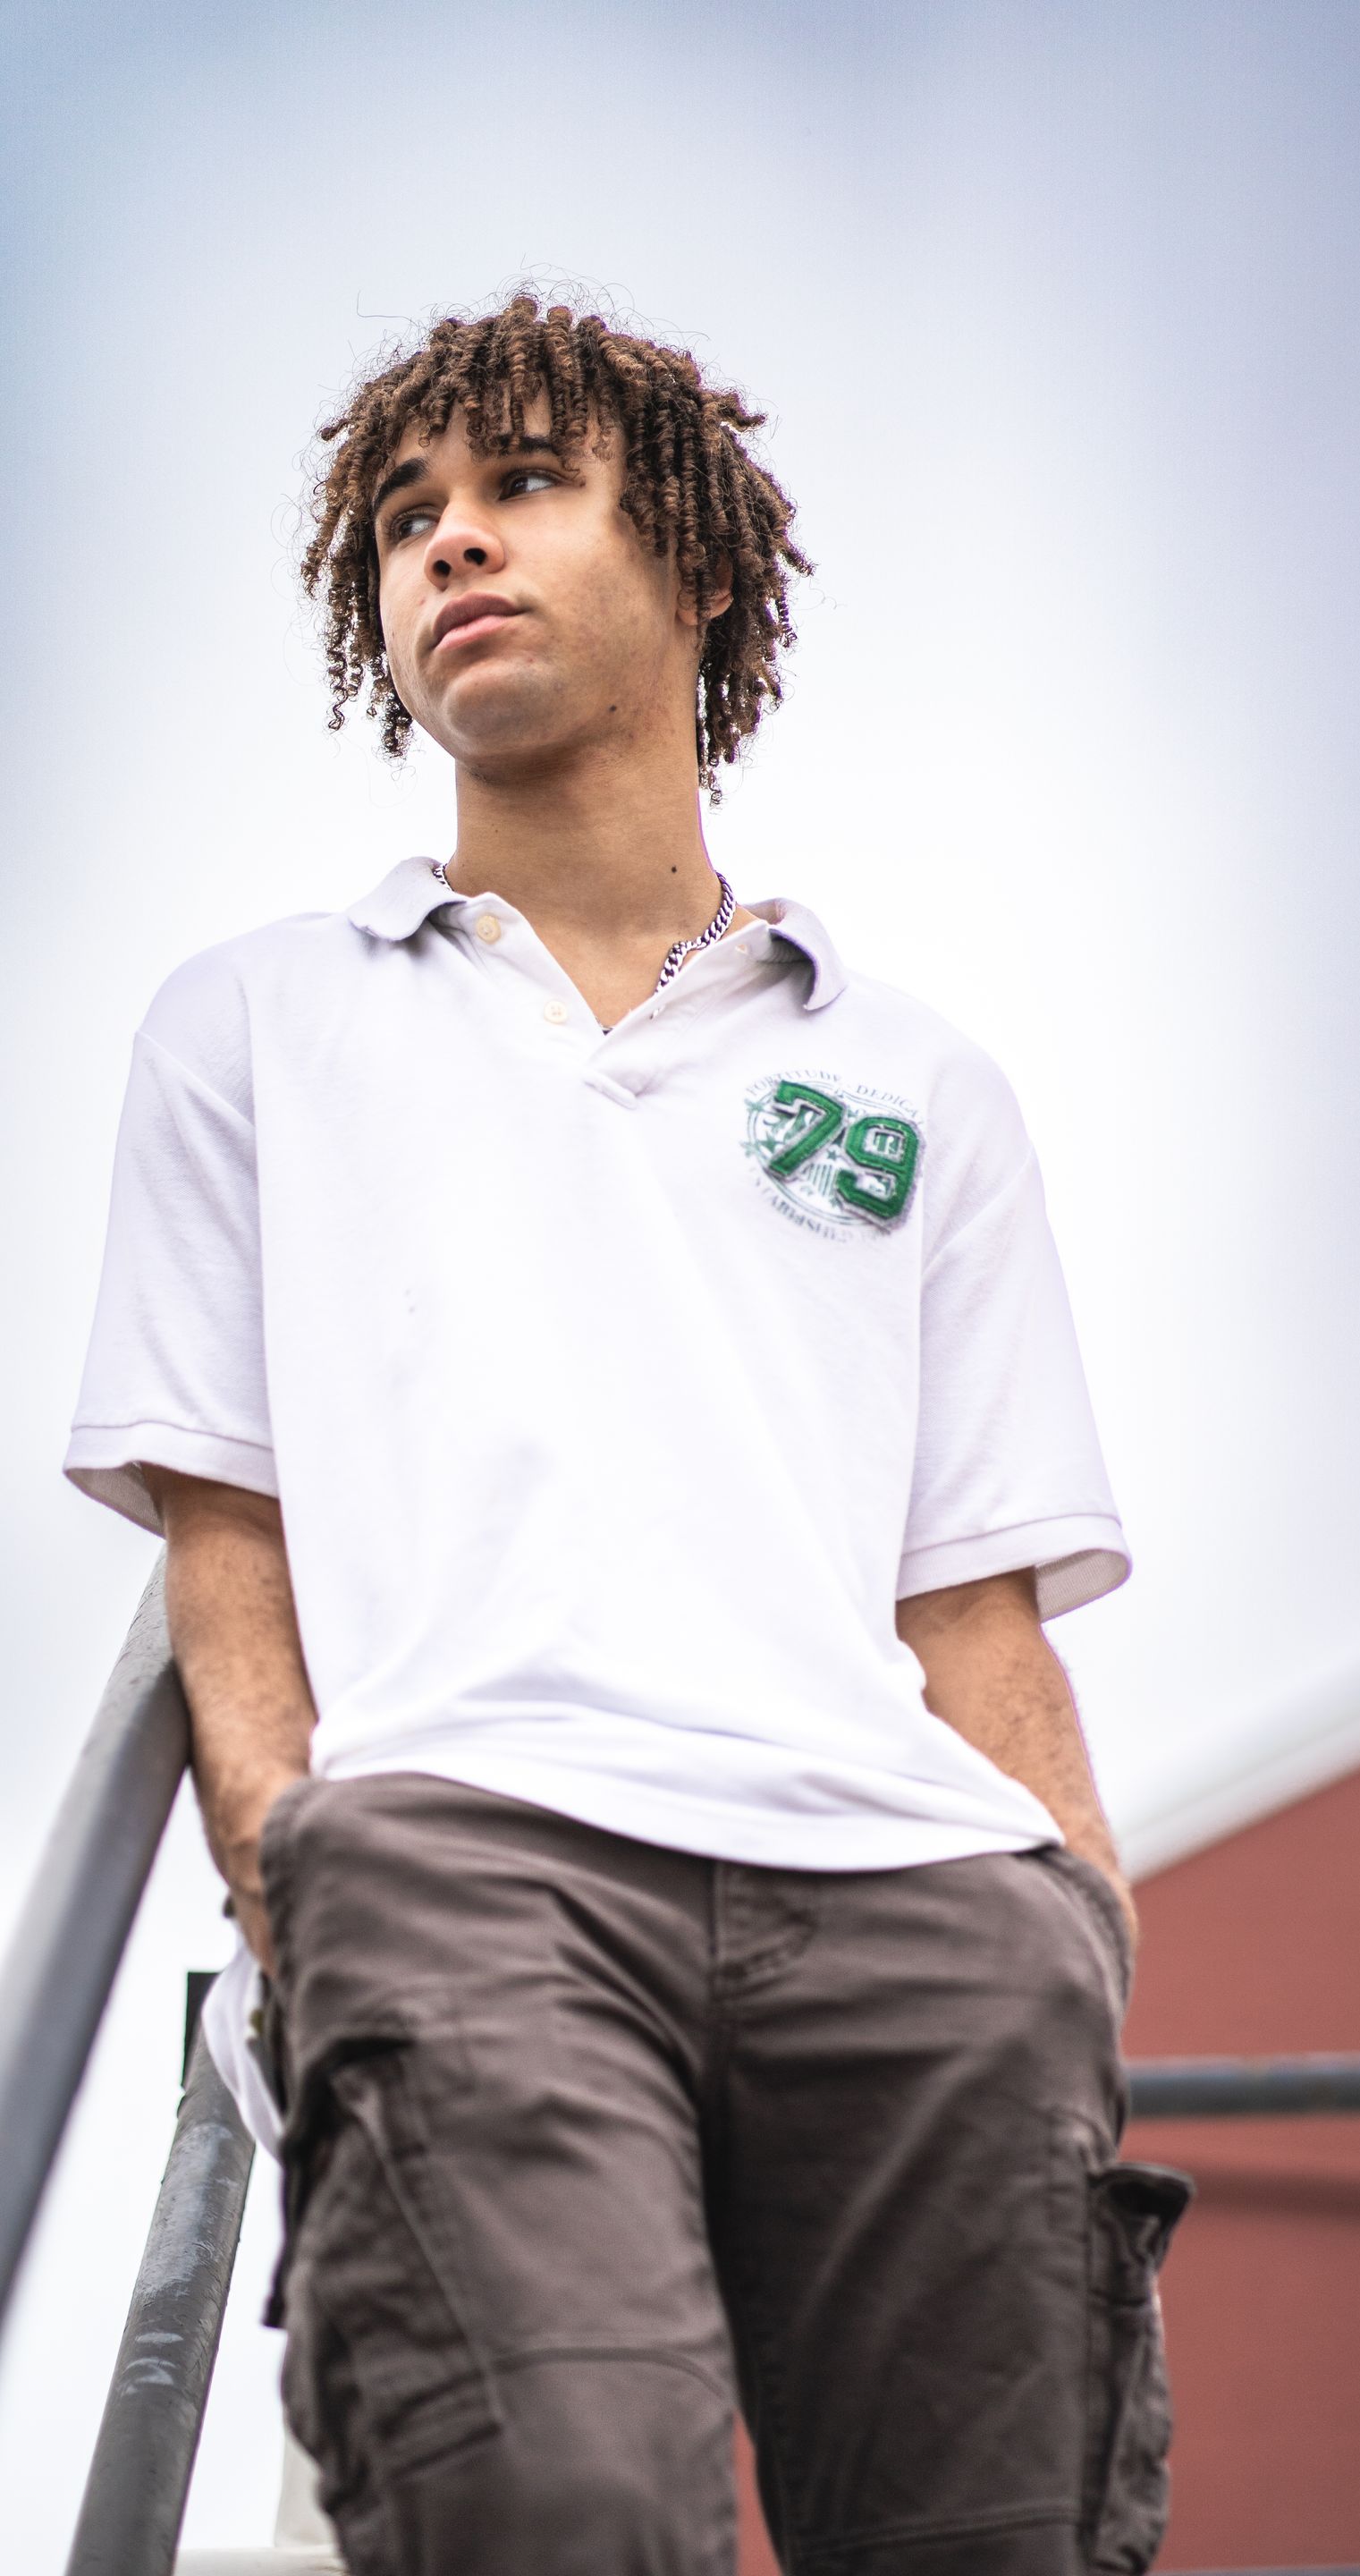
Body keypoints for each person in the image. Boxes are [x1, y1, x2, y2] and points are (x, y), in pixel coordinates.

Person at [64, 290, 1188, 2576]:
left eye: (518, 488)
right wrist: (304, 1873)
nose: (448, 544)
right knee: (564, 2502)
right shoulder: (255, 1024)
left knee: (990, 2543)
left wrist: (1067, 1921)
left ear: (693, 566)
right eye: (403, 518)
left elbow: (975, 1605)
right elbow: (225, 1532)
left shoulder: (916, 1081)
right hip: (477, 1866)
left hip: (912, 1914)